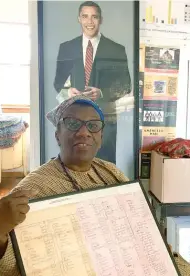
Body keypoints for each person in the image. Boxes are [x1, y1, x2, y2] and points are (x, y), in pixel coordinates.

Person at [0, 96, 190, 276]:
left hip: (142, 271)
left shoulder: (110, 171)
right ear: (57, 134)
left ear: (101, 138)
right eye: (73, 124)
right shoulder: (34, 189)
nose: (84, 132)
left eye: (93, 126)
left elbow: (140, 226)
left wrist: (165, 270)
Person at [54, 1, 132, 164]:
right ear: (79, 19)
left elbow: (126, 85)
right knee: (74, 163)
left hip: (105, 119)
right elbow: (58, 82)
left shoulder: (116, 49)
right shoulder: (66, 48)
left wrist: (102, 92)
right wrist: (68, 92)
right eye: (85, 16)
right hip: (74, 118)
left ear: (100, 20)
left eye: (94, 17)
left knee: (105, 165)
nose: (90, 22)